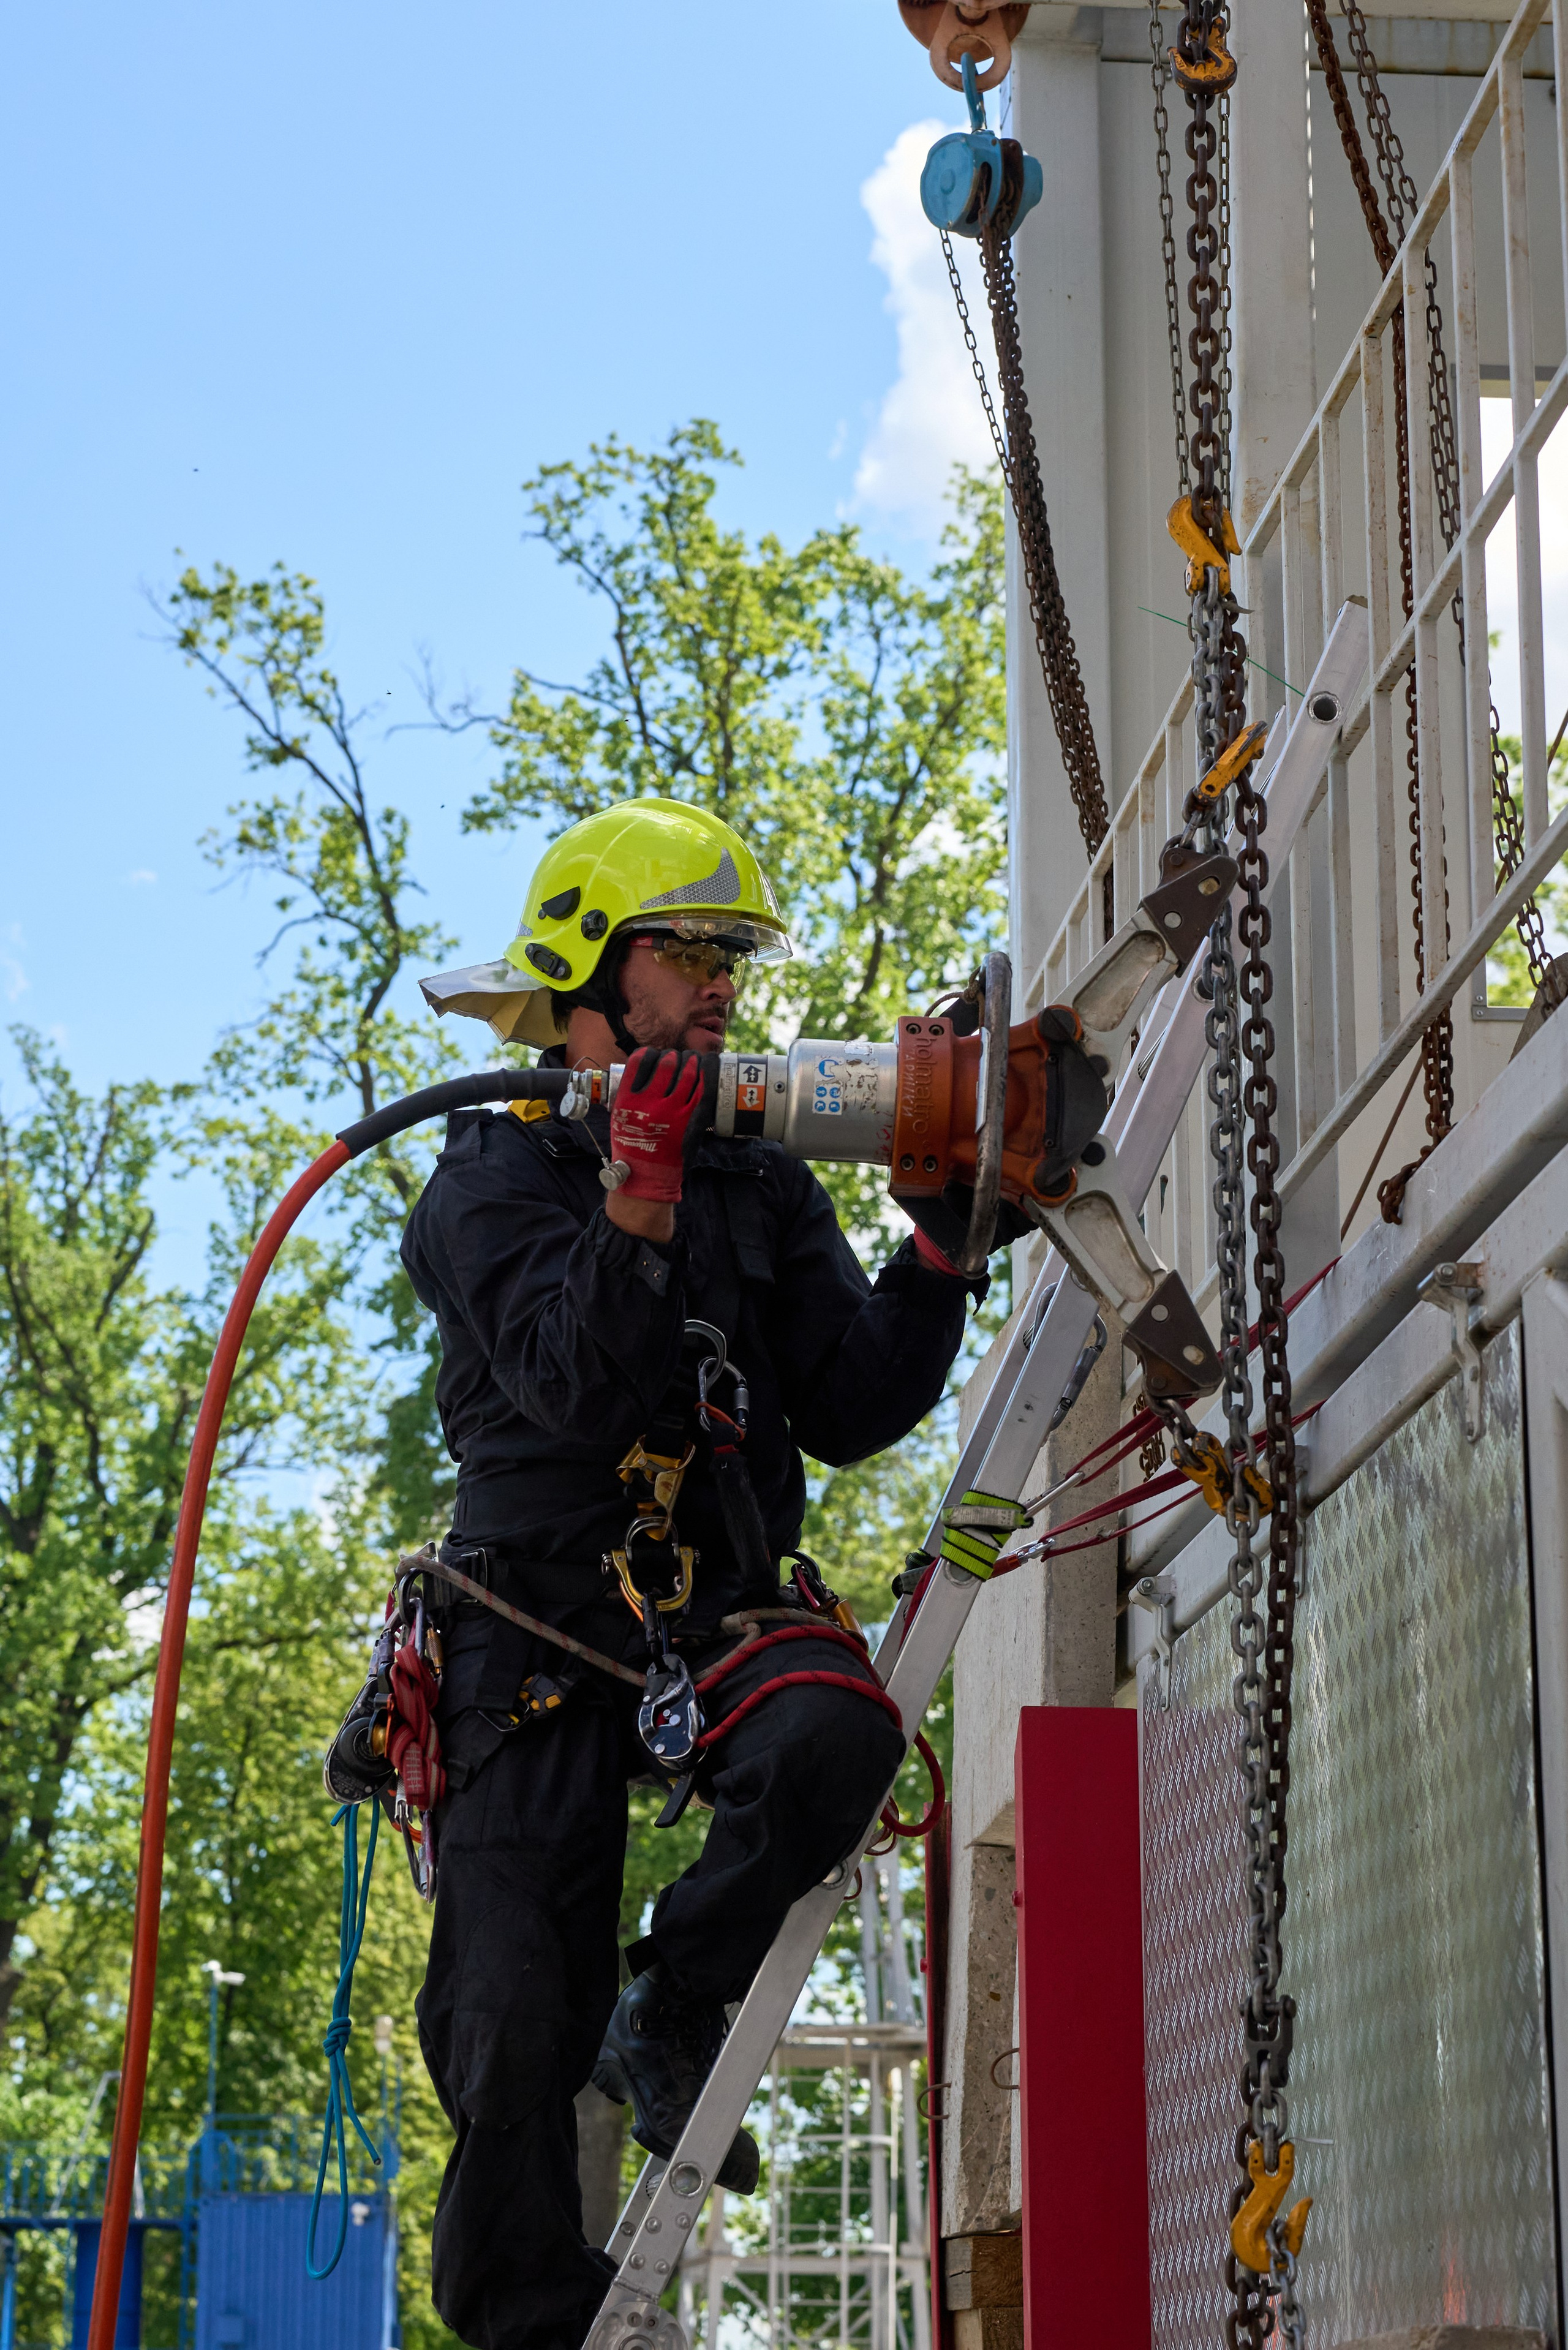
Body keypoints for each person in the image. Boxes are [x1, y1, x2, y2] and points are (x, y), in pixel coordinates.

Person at [401, 799, 984, 2350]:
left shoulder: (759, 1176)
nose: (723, 981)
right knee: (514, 2011)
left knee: (838, 1732)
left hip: (698, 1609)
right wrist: (634, 1195)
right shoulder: (487, 1179)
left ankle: (673, 1999)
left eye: (732, 952)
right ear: (590, 962)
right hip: (521, 1636)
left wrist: (932, 1257)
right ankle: (532, 2320)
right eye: (689, 948)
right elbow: (576, 1389)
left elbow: (851, 1405)